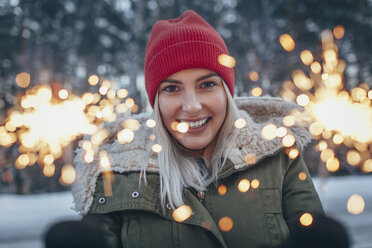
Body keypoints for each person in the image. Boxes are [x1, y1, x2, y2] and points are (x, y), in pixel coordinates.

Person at [72, 10, 324, 248]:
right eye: (172, 88)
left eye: (207, 84)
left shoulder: (278, 156)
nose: (192, 106)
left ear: (226, 92)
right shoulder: (114, 175)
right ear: (156, 102)